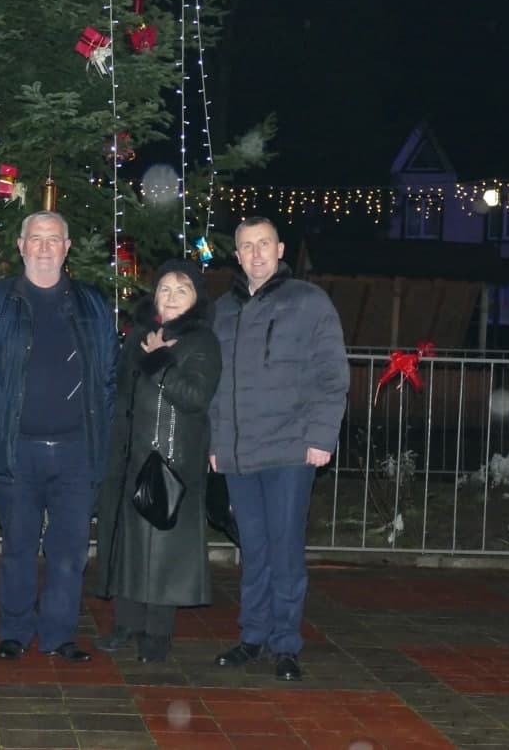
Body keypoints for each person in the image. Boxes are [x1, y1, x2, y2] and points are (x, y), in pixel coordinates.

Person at [0, 210, 117, 663]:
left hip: (76, 451)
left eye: (54, 239)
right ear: (21, 245)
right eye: (36, 238)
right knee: (18, 546)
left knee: (70, 551)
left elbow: (108, 375)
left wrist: (103, 439)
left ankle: (58, 635)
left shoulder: (92, 303)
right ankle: (14, 631)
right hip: (16, 448)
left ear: (67, 248)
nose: (45, 247)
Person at [208, 216, 349, 682]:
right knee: (253, 550)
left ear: (280, 249)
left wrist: (321, 436)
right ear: (237, 255)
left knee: (284, 550)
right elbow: (215, 384)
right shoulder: (223, 311)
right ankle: (252, 636)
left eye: (264, 244)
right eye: (247, 246)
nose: (256, 253)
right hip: (239, 452)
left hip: (290, 450)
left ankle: (285, 643)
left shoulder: (309, 302)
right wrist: (217, 441)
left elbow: (332, 373)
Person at [95, 260, 221, 663]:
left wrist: (160, 363)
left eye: (182, 290)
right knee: (127, 543)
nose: (171, 296)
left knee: (163, 548)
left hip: (170, 459)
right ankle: (126, 623)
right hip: (129, 455)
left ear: (196, 299)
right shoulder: (139, 336)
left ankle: (157, 632)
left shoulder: (202, 341)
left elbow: (195, 397)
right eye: (165, 288)